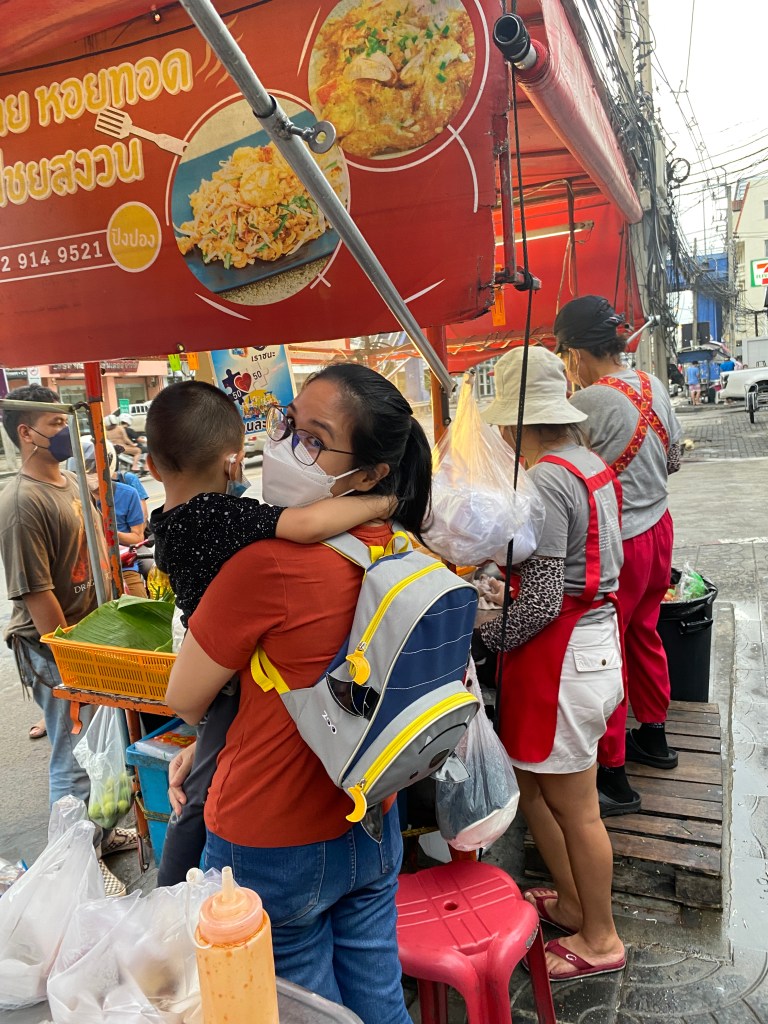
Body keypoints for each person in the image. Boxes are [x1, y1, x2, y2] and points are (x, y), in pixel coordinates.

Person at [166, 364, 430, 1022]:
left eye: (314, 438)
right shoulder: (404, 546)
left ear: (370, 473)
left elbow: (185, 698)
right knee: (378, 998)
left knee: (307, 1010)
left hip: (270, 835)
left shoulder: (265, 565)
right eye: (289, 425)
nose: (287, 446)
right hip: (370, 818)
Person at [147, 380, 394, 888]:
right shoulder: (221, 516)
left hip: (212, 659)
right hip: (227, 678)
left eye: (311, 438)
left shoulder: (168, 520)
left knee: (204, 771)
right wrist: (381, 504)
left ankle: (171, 887)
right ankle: (172, 886)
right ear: (234, 464)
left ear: (152, 468)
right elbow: (304, 525)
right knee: (203, 789)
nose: (288, 448)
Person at [476, 345, 626, 981]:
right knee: (536, 787)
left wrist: (484, 635)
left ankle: (601, 936)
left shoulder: (544, 478)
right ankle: (570, 902)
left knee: (579, 809)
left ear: (516, 423)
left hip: (566, 654)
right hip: (591, 647)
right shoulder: (589, 462)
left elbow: (540, 600)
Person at [0, 386, 136, 895]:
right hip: (53, 646)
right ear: (25, 432)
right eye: (56, 426)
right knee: (73, 755)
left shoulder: (72, 480)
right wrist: (73, 657)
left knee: (102, 749)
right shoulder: (20, 503)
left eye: (65, 423)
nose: (66, 434)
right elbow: (37, 596)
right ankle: (73, 864)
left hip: (91, 636)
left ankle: (97, 836)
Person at [555, 295, 682, 815]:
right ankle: (654, 735)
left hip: (620, 543)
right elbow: (673, 459)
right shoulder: (652, 385)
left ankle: (613, 776)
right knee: (644, 633)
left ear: (577, 354)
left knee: (603, 652)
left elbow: (562, 474)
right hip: (660, 529)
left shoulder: (588, 403)